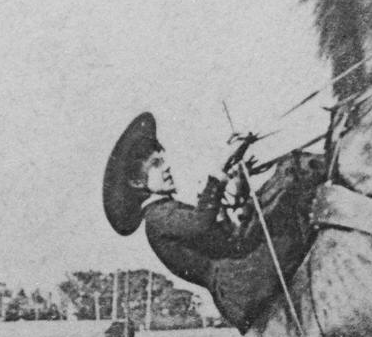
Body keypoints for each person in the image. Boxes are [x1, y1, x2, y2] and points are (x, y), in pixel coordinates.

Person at [103, 112, 261, 280]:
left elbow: (222, 238)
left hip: (236, 275)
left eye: (163, 162)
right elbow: (201, 225)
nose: (167, 168)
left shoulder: (165, 210)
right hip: (235, 281)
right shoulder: (157, 217)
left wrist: (235, 179)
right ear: (136, 181)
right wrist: (217, 178)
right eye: (156, 164)